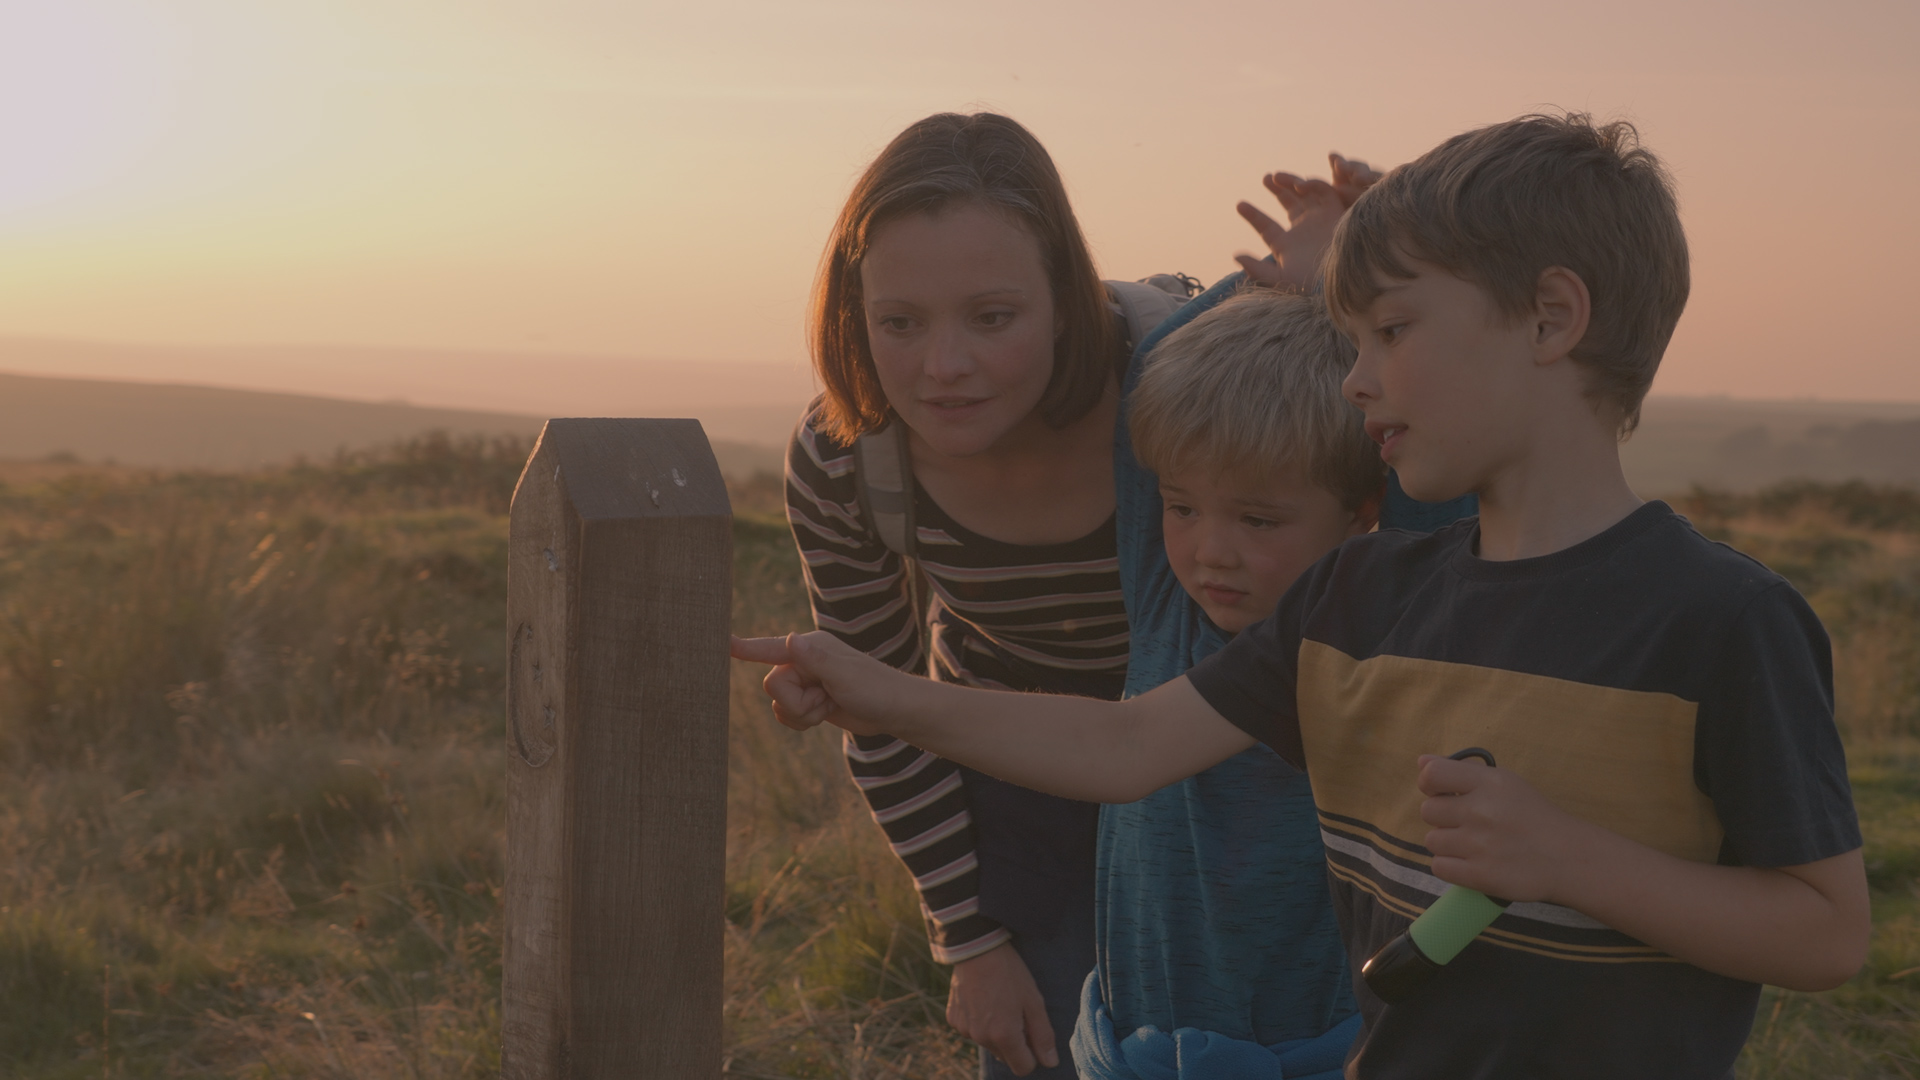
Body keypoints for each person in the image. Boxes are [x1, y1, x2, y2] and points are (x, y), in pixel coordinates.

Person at [746, 112, 1871, 1077]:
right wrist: (877, 695)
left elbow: (1827, 935)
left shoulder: (1721, 619)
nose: (1355, 370)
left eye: (1386, 331)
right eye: (1354, 331)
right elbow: (1127, 745)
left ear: (1551, 319)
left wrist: (1572, 861)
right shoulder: (1363, 596)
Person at [783, 111, 1369, 1077]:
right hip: (1015, 789)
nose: (944, 366)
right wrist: (970, 939)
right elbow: (879, 703)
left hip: (1238, 783)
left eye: (992, 317)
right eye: (900, 322)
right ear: (854, 312)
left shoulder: (1171, 385)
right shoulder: (850, 459)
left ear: (1064, 293)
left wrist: (1366, 263)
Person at [1075, 287, 1382, 1079]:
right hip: (1130, 1051)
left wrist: (1345, 282)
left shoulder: (1383, 630)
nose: (1210, 551)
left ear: (1362, 513)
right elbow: (1149, 376)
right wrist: (1272, 276)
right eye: (1182, 507)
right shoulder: (1162, 600)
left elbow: (1438, 461)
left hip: (1319, 1060)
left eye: (1258, 520)